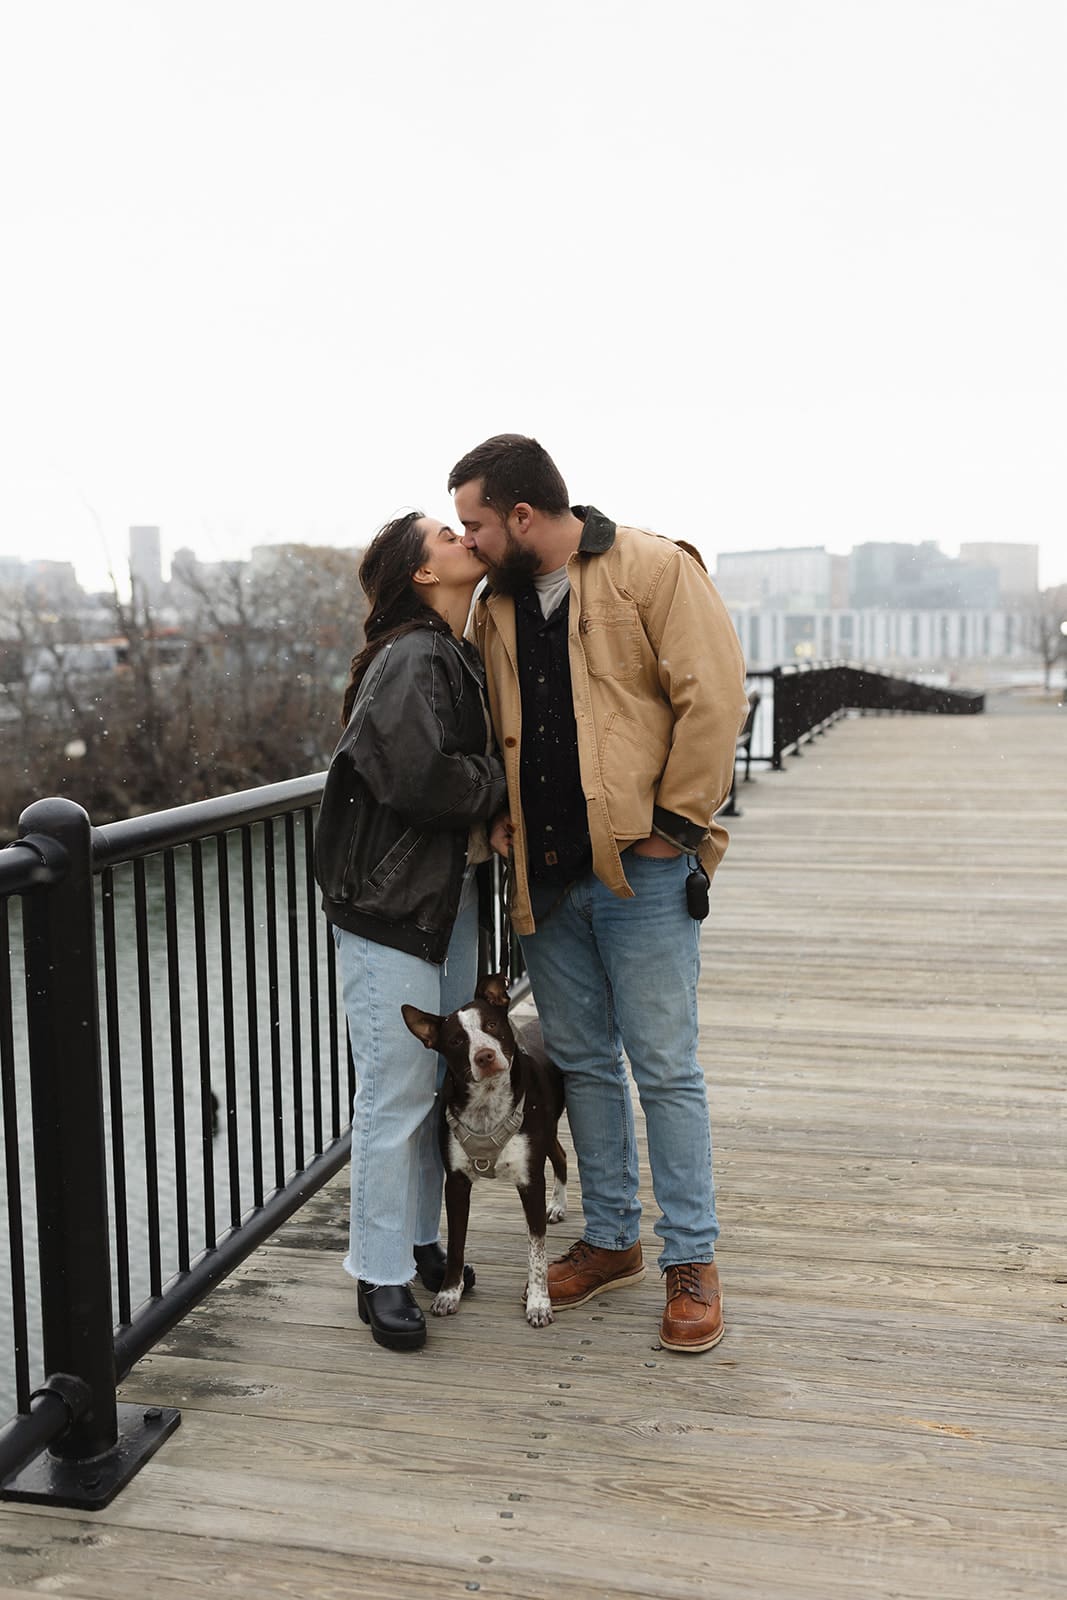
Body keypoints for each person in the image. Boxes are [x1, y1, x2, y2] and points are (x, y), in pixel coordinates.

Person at [450, 435, 748, 1354]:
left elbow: (715, 695)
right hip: (544, 882)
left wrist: (678, 825)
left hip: (642, 871)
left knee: (664, 1067)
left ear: (524, 517)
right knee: (584, 1068)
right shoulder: (489, 608)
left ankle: (690, 1260)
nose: (468, 543)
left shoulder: (652, 568)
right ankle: (613, 1239)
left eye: (477, 524)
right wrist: (491, 820)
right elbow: (488, 731)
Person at [314, 511, 507, 1352]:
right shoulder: (413, 652)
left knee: (431, 1086)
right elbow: (413, 773)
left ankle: (420, 1240)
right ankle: (379, 1274)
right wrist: (505, 785)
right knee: (393, 1093)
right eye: (443, 533)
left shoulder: (449, 649)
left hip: (441, 896)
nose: (463, 536)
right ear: (421, 574)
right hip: (395, 904)